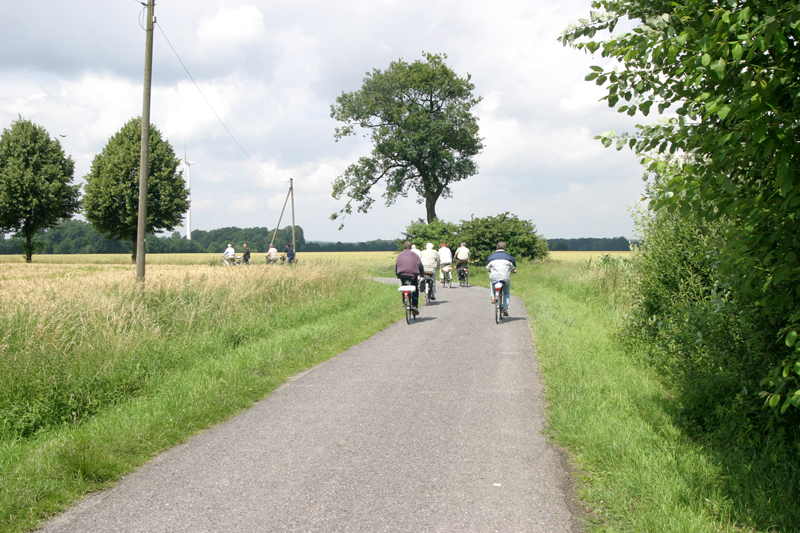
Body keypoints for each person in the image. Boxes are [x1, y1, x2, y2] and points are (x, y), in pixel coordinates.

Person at [486, 241, 516, 316]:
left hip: (495, 277)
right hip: (505, 277)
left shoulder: (491, 257)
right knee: (506, 292)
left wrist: (489, 269)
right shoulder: (509, 257)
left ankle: (493, 296)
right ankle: (505, 308)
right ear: (504, 247)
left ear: (497, 247)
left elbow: (487, 267)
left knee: (492, 281)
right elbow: (513, 267)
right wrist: (513, 270)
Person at [395, 241, 424, 315]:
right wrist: (422, 274)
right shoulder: (415, 255)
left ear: (403, 247)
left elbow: (396, 266)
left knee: (404, 286)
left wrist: (398, 275)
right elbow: (420, 265)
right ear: (411, 247)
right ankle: (414, 306)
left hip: (402, 275)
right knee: (415, 290)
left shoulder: (400, 255)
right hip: (413, 275)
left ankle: (404, 302)